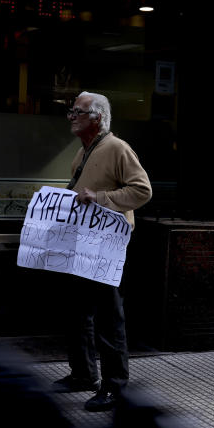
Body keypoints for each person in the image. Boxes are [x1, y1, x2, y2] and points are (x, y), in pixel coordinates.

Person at [53, 91, 152, 411]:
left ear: (97, 118)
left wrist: (101, 199)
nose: (72, 117)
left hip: (107, 242)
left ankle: (114, 386)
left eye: (78, 112)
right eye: (71, 112)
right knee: (76, 310)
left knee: (109, 317)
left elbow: (142, 190)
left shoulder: (117, 148)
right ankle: (82, 374)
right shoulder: (83, 152)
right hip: (84, 240)